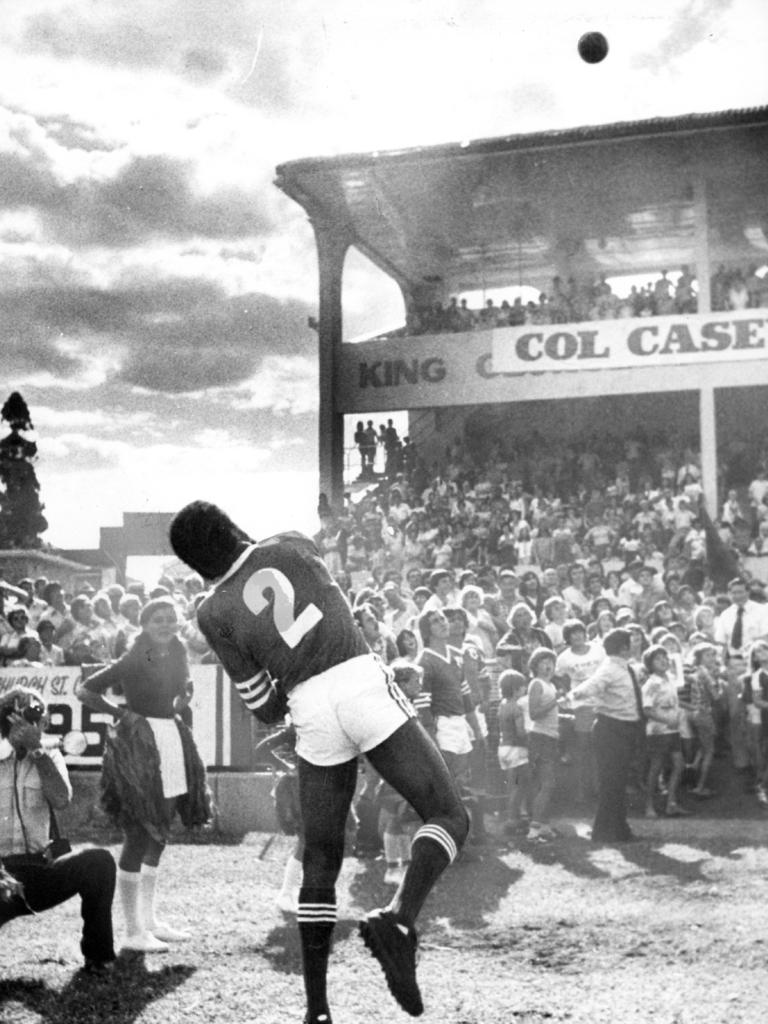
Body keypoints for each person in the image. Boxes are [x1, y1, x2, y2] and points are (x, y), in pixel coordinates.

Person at [168, 501, 468, 1024]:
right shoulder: (288, 541)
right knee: (447, 815)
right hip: (357, 678)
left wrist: (289, 688)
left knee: (321, 859)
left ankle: (317, 1010)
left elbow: (261, 705)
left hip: (309, 708)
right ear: (233, 526)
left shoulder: (211, 611)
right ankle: (398, 917)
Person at [76, 596, 211, 954]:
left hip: (170, 737)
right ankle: (133, 931)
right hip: (139, 745)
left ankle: (150, 922)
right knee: (139, 832)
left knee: (162, 828)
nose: (165, 625)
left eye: (170, 619)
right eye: (157, 620)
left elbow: (181, 685)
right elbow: (85, 689)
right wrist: (121, 714)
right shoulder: (136, 655)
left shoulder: (178, 651)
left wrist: (185, 693)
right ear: (145, 624)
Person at [0, 687, 117, 975]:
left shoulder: (49, 757)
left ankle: (99, 957)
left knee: (98, 862)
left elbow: (61, 800)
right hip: (0, 874)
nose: (30, 727)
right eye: (19, 719)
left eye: (35, 720)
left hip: (39, 870)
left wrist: (37, 751)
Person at [565, 628, 645, 844]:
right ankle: (606, 831)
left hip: (624, 729)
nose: (636, 644)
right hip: (612, 730)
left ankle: (617, 829)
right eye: (631, 642)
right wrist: (570, 697)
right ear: (623, 648)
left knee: (617, 783)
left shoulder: (625, 668)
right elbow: (588, 688)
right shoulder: (609, 669)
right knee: (612, 783)